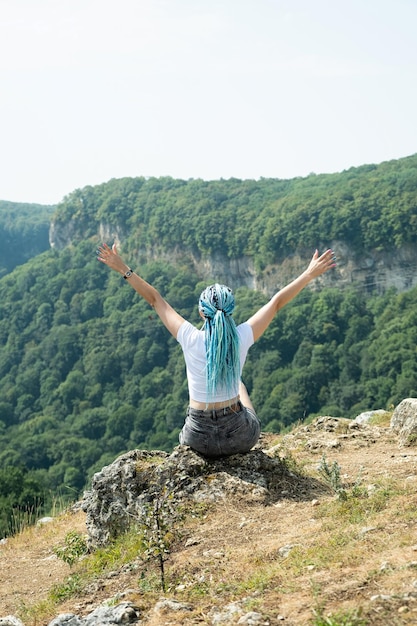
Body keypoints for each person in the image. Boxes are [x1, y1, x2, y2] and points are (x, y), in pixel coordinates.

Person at [97, 243, 336, 458]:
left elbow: (155, 300)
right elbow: (275, 303)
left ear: (202, 312)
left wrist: (123, 269)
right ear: (231, 311)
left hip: (197, 439)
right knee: (239, 385)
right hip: (240, 435)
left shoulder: (190, 338)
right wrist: (308, 274)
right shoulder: (242, 336)